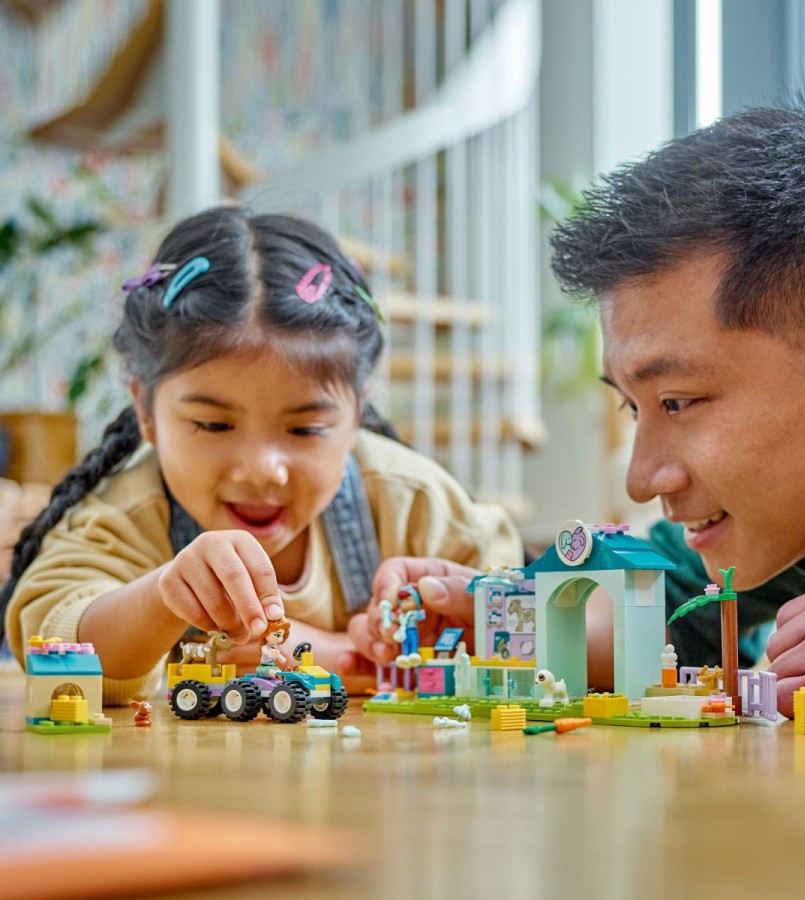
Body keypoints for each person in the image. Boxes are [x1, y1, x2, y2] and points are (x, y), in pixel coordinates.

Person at [352, 102, 805, 722]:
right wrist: (515, 631)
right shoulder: (791, 512)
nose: (640, 480)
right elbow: (660, 610)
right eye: (631, 406)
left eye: (678, 401)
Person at [1, 205, 522, 704]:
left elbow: (521, 618)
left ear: (356, 413)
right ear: (147, 410)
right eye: (213, 423)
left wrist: (463, 622)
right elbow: (57, 640)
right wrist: (164, 597)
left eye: (305, 428)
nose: (261, 469)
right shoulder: (130, 514)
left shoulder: (413, 502)